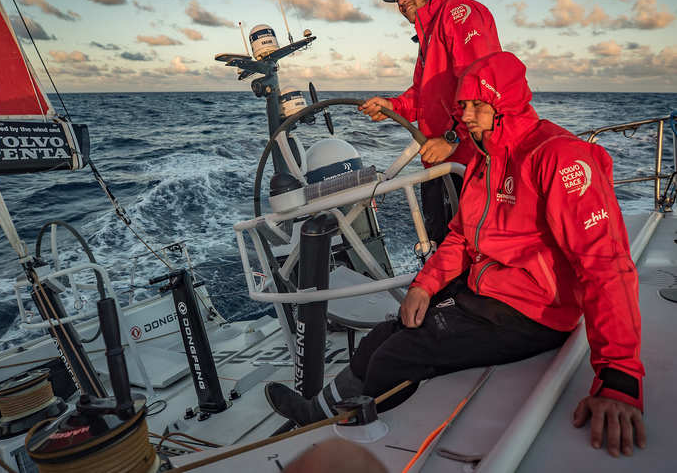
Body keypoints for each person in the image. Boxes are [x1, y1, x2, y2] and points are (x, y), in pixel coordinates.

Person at [266, 51, 646, 458]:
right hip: (488, 294)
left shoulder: (559, 158)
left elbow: (605, 264)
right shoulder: (485, 159)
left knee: (396, 357)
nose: (465, 115)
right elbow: (461, 238)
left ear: (505, 104)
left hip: (535, 312)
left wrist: (619, 377)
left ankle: (347, 445)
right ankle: (315, 414)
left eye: (477, 105)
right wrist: (424, 287)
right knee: (381, 335)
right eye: (463, 105)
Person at [358, 0, 501, 245]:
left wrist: (452, 138)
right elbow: (423, 96)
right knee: (441, 246)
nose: (400, 0)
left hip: (471, 161)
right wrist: (390, 105)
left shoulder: (459, 13)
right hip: (442, 161)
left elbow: (480, 82)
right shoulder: (429, 35)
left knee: (473, 250)